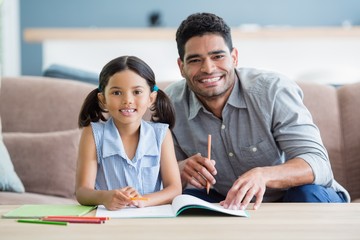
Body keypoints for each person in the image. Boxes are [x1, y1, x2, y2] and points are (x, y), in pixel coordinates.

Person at [165, 12, 350, 210]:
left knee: (304, 194)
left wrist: (264, 175)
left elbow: (318, 164)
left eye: (218, 56)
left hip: (299, 194)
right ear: (181, 67)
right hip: (229, 202)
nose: (208, 69)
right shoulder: (170, 105)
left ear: (234, 57)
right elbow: (151, 177)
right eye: (195, 60)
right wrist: (178, 171)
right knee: (182, 201)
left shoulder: (273, 90)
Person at [76, 55, 182, 210]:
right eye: (117, 93)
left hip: (150, 219)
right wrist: (106, 197)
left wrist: (144, 200)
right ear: (102, 99)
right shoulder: (92, 133)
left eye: (137, 92)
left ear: (151, 98)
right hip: (108, 220)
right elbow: (82, 192)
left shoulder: (161, 134)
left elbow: (174, 189)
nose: (128, 100)